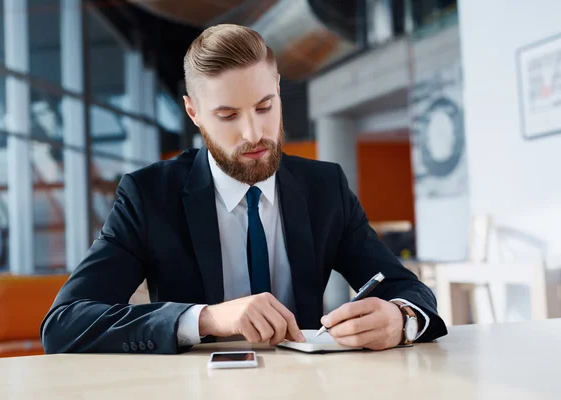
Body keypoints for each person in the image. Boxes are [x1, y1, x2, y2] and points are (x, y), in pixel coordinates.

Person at [41, 24, 447, 355]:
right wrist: (206, 318)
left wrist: (400, 318)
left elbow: (404, 288)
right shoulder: (148, 195)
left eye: (265, 107)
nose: (254, 133)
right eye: (228, 115)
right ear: (193, 112)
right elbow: (64, 323)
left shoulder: (325, 187)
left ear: (278, 90)